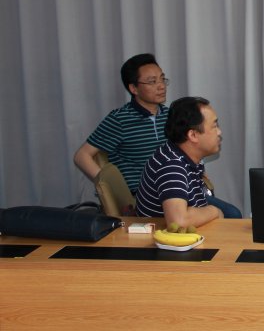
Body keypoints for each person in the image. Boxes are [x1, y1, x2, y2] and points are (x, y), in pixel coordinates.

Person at [73, 53, 169, 196]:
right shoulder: (120, 120)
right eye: (152, 82)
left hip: (172, 189)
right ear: (133, 88)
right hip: (142, 196)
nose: (161, 86)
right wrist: (110, 187)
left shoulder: (171, 115)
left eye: (162, 79)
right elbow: (81, 156)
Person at [136, 97, 241, 226]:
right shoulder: (171, 166)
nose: (219, 132)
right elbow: (178, 221)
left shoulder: (183, 153)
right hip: (162, 234)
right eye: (214, 126)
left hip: (184, 215)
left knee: (233, 213)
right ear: (193, 135)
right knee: (230, 215)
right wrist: (214, 211)